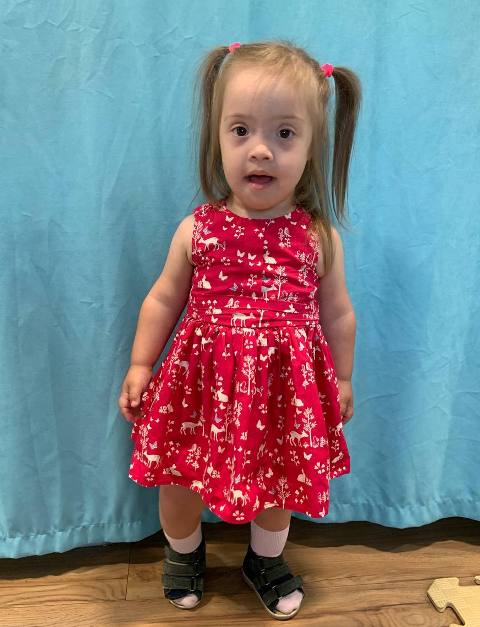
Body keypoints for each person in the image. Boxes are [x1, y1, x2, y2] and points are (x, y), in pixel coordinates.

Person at [118, 39, 361, 620]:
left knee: (278, 486)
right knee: (178, 479)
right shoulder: (197, 229)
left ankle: (264, 559)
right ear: (218, 139)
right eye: (241, 130)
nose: (261, 150)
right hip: (198, 391)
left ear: (312, 148)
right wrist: (141, 363)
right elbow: (163, 298)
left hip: (281, 394)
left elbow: (338, 314)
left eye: (284, 133)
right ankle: (183, 553)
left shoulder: (317, 238)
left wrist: (343, 378)